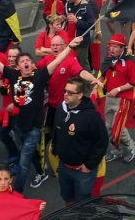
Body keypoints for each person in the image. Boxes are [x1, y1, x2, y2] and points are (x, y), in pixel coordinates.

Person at [0, 29, 83, 194]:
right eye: (22, 61)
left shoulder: (40, 75)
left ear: (32, 64)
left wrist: (70, 46)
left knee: (23, 163)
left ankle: (16, 192)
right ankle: (41, 172)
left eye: (28, 60)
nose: (26, 63)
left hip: (34, 128)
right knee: (28, 153)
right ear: (18, 66)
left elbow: (58, 61)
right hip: (19, 125)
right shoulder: (13, 75)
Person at [52, 77, 108, 205]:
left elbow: (102, 142)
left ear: (80, 95)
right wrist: (56, 150)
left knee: (83, 205)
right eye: (65, 91)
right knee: (68, 199)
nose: (66, 95)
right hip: (64, 167)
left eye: (70, 93)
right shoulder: (61, 109)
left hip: (82, 172)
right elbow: (57, 131)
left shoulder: (92, 116)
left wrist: (89, 165)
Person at [36, 35, 103, 143]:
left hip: (66, 107)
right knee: (46, 133)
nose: (55, 47)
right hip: (51, 105)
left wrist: (93, 79)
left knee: (64, 133)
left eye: (58, 45)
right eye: (53, 45)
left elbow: (82, 72)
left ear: (64, 46)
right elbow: (35, 67)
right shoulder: (47, 59)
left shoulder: (70, 61)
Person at [97, 34, 135, 163]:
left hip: (123, 98)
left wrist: (118, 89)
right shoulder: (109, 58)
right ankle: (116, 150)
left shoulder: (130, 62)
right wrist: (96, 83)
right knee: (108, 126)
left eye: (115, 47)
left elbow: (134, 82)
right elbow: (103, 74)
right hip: (110, 96)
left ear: (122, 48)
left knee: (117, 127)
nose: (112, 49)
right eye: (111, 46)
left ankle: (130, 145)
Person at [63, 0, 97, 72]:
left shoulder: (86, 7)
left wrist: (77, 21)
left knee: (83, 64)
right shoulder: (68, 4)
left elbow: (91, 25)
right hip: (69, 39)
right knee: (70, 61)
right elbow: (65, 16)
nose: (67, 0)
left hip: (81, 41)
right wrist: (62, 18)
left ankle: (86, 83)